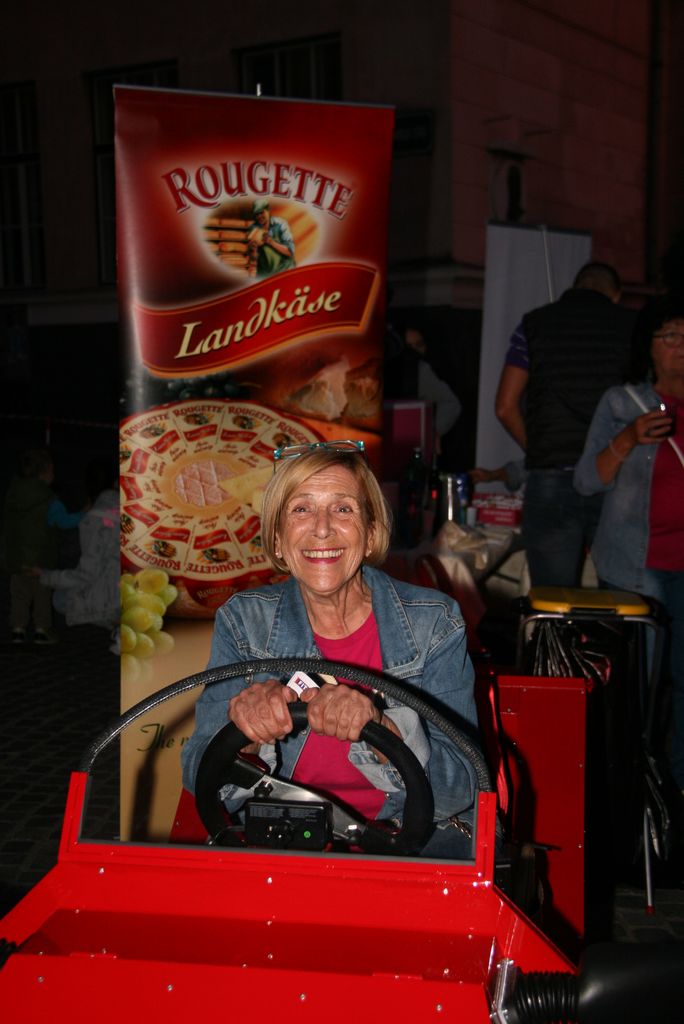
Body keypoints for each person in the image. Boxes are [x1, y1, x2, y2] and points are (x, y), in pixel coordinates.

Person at [181, 440, 479, 857]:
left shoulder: (434, 622)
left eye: (343, 509)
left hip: (407, 844)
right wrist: (247, 737)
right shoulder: (243, 621)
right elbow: (198, 773)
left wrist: (383, 731)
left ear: (370, 533)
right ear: (278, 540)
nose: (322, 528)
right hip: (285, 843)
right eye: (301, 509)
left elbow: (463, 787)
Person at [574, 294, 684, 794]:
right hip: (635, 571)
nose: (680, 346)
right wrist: (629, 439)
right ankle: (633, 794)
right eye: (670, 336)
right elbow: (585, 481)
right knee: (639, 692)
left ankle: (674, 796)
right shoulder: (622, 403)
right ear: (649, 346)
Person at [495, 261, 635, 587]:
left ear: (575, 286)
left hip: (552, 476)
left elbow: (504, 407)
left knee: (553, 601)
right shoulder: (632, 326)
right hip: (617, 478)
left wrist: (539, 450)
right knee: (624, 599)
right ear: (616, 295)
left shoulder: (534, 324)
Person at [26, 458, 120, 634]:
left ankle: (115, 623)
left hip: (115, 596)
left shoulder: (96, 519)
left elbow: (86, 574)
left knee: (60, 598)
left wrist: (45, 576)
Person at [3, 448, 86, 644]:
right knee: (42, 594)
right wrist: (85, 513)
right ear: (44, 473)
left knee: (19, 594)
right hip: (41, 559)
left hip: (16, 556)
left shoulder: (13, 494)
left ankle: (18, 629)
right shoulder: (49, 500)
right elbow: (64, 522)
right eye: (52, 471)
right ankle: (42, 629)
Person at [246, 198, 296, 278]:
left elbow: (290, 252)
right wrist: (252, 249)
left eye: (261, 213)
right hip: (265, 274)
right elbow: (253, 258)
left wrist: (270, 242)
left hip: (284, 270)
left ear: (268, 210)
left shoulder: (281, 224)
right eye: (257, 214)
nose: (259, 216)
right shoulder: (253, 228)